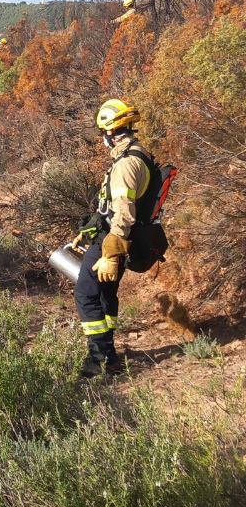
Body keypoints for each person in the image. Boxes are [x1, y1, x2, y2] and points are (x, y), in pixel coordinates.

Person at [72, 98, 158, 376]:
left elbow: (123, 213)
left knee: (86, 294)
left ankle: (99, 361)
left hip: (114, 241)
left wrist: (110, 253)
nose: (103, 141)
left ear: (110, 133)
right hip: (113, 238)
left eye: (103, 135)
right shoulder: (137, 155)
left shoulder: (125, 165)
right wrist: (87, 233)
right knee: (106, 295)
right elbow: (111, 206)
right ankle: (109, 355)